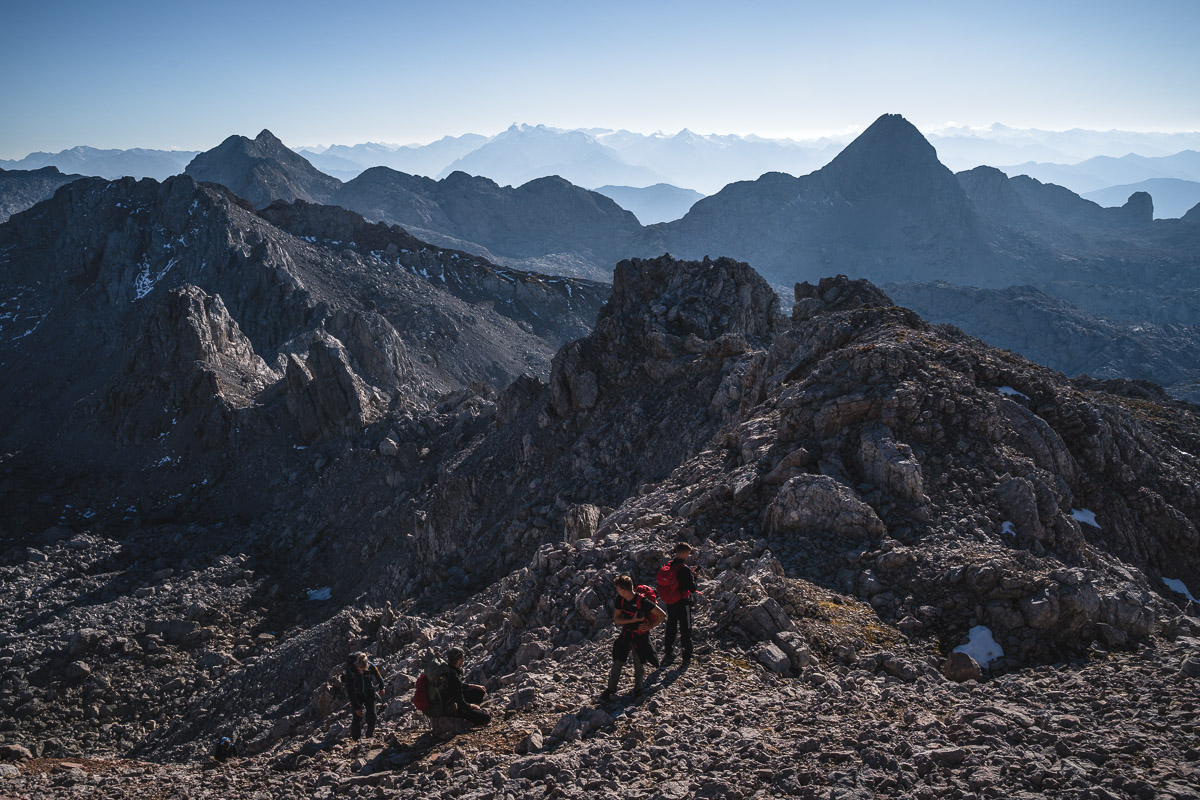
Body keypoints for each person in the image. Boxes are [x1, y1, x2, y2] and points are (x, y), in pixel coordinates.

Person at [601, 575, 662, 701]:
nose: (617, 591)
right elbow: (616, 619)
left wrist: (649, 626)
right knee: (618, 660)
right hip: (627, 633)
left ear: (624, 590)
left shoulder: (642, 601)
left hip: (640, 635)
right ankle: (611, 689)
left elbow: (662, 615)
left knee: (639, 663)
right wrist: (632, 620)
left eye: (618, 588)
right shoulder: (621, 599)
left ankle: (638, 690)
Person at [659, 542, 698, 667]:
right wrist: (694, 577)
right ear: (682, 553)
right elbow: (692, 588)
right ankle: (686, 657)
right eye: (687, 553)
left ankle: (668, 654)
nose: (688, 555)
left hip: (670, 602)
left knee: (671, 627)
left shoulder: (670, 566)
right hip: (682, 603)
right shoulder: (684, 569)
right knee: (685, 629)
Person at [440, 646, 491, 725]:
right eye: (463, 658)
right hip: (451, 707)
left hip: (446, 700)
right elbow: (461, 704)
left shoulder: (447, 670)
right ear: (459, 660)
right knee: (486, 718)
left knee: (479, 692)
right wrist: (473, 706)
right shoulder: (454, 676)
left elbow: (456, 686)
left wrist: (473, 686)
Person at [344, 651, 386, 740]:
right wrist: (356, 707)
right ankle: (356, 739)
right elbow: (350, 691)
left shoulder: (371, 666)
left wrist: (382, 688)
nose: (362, 672)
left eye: (364, 670)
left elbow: (379, 677)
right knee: (357, 717)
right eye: (360, 670)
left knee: (373, 715)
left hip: (369, 693)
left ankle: (369, 736)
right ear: (357, 666)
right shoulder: (351, 670)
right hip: (357, 694)